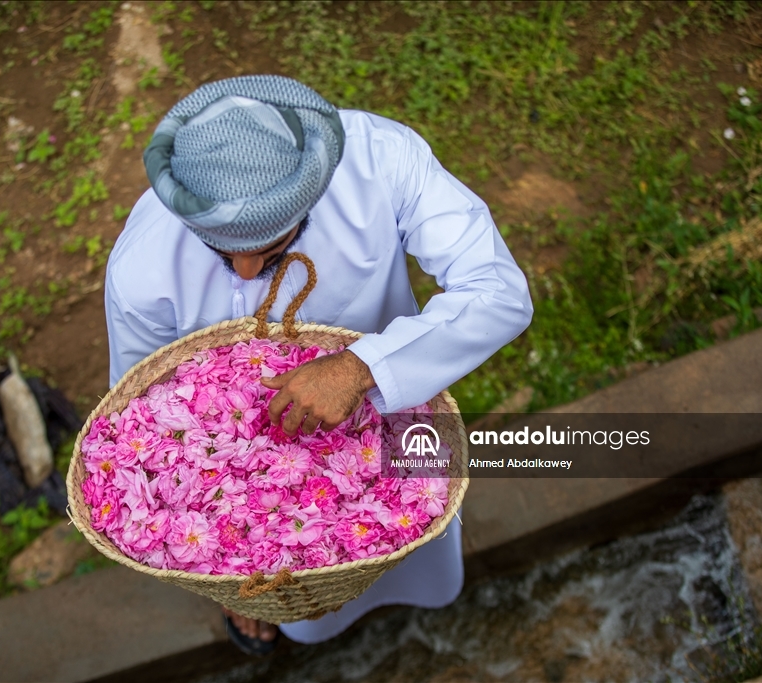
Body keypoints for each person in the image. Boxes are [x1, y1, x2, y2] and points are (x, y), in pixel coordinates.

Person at [104, 75, 533, 655]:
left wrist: (359, 370)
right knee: (284, 571)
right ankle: (287, 610)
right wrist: (217, 571)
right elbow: (138, 410)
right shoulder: (142, 266)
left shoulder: (381, 160)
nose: (251, 273)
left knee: (409, 525)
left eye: (273, 249)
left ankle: (411, 599)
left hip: (390, 410)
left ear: (311, 195)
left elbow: (499, 291)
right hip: (233, 467)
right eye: (223, 253)